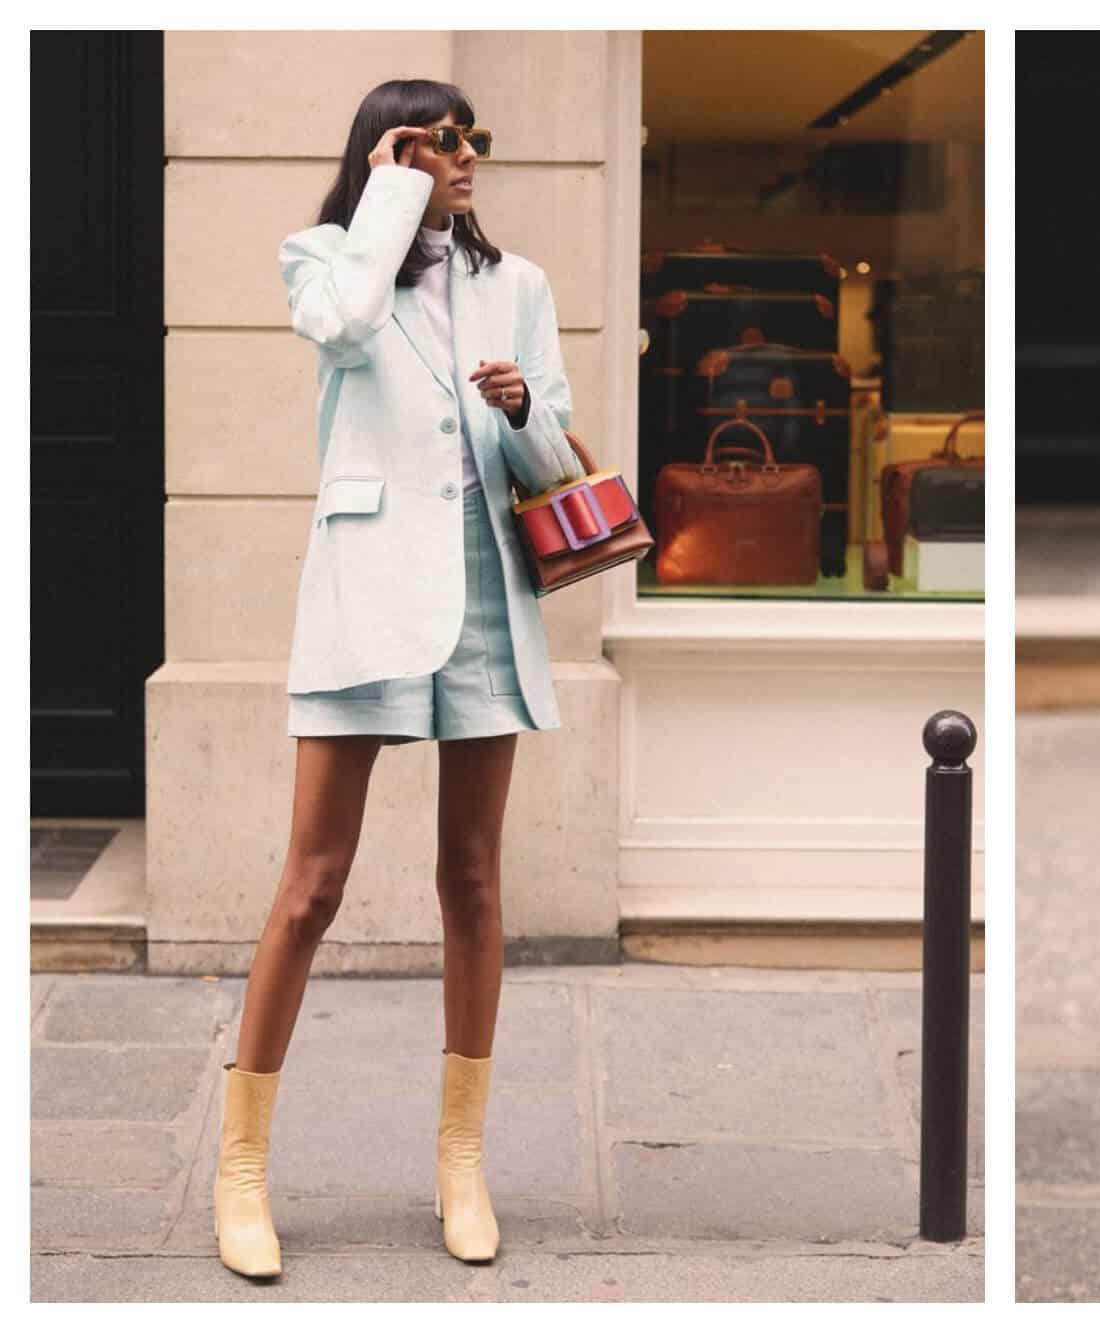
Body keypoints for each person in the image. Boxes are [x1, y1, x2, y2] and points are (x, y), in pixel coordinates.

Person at [213, 77, 586, 1279]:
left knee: (471, 880)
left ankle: (461, 1162)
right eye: (437, 139)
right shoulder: (327, 254)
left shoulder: (513, 284)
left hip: (486, 595)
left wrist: (523, 406)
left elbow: (553, 450)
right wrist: (388, 194)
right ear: (387, 154)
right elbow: (335, 328)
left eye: (473, 134)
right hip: (367, 595)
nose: (464, 155)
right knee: (310, 882)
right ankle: (242, 1168)